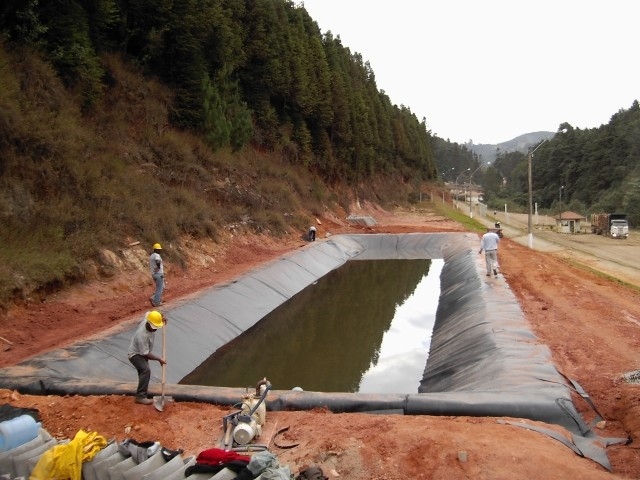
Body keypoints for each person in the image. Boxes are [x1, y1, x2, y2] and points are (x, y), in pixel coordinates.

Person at [127, 310, 166, 405]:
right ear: (149, 324)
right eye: (154, 327)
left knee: (143, 372)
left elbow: (149, 313)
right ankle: (140, 396)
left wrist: (161, 318)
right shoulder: (142, 335)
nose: (155, 329)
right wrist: (159, 359)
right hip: (135, 355)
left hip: (142, 353)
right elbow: (145, 354)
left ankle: (142, 390)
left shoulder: (147, 319)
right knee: (145, 370)